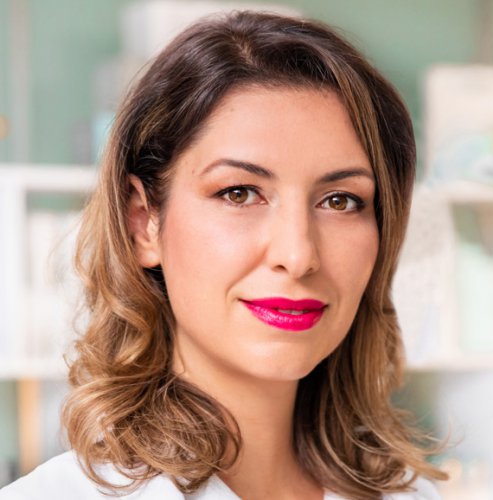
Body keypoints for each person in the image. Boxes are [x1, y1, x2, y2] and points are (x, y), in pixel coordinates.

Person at [0, 10, 447, 500]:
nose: (298, 255)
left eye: (340, 201)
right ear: (143, 222)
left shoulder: (413, 494)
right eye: (239, 193)